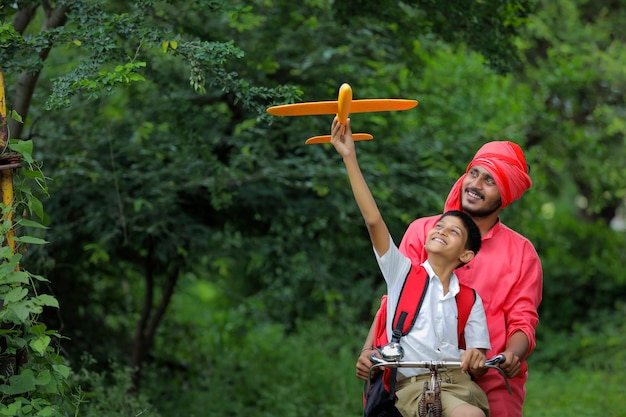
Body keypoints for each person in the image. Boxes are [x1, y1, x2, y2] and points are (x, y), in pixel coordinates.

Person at [355, 131, 543, 417]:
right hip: (408, 376)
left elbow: (523, 321)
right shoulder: (426, 232)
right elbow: (393, 300)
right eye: (474, 174)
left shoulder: (522, 253)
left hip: (487, 380)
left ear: (505, 195)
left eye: (489, 180)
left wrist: (512, 356)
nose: (475, 185)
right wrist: (369, 351)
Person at [330, 116, 493, 417]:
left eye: (453, 232)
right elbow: (373, 220)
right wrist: (349, 157)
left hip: (457, 384)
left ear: (466, 256)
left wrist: (476, 357)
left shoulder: (470, 299)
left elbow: (478, 355)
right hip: (412, 387)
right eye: (439, 226)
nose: (441, 231)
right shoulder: (401, 274)